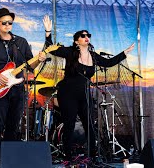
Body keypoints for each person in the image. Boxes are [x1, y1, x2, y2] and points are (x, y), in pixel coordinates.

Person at [43, 15, 135, 165]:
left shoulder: (93, 55)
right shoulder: (70, 52)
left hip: (84, 94)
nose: (86, 37)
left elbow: (109, 62)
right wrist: (48, 32)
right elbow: (50, 49)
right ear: (76, 41)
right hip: (67, 94)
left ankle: (93, 155)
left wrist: (124, 53)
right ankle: (68, 157)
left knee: (89, 125)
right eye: (83, 35)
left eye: (88, 35)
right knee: (69, 124)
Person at [0, 8, 47, 167]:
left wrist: (39, 60)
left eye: (10, 22)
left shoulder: (21, 42)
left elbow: (30, 65)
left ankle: (9, 158)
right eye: (4, 22)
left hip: (17, 89)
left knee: (13, 125)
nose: (8, 25)